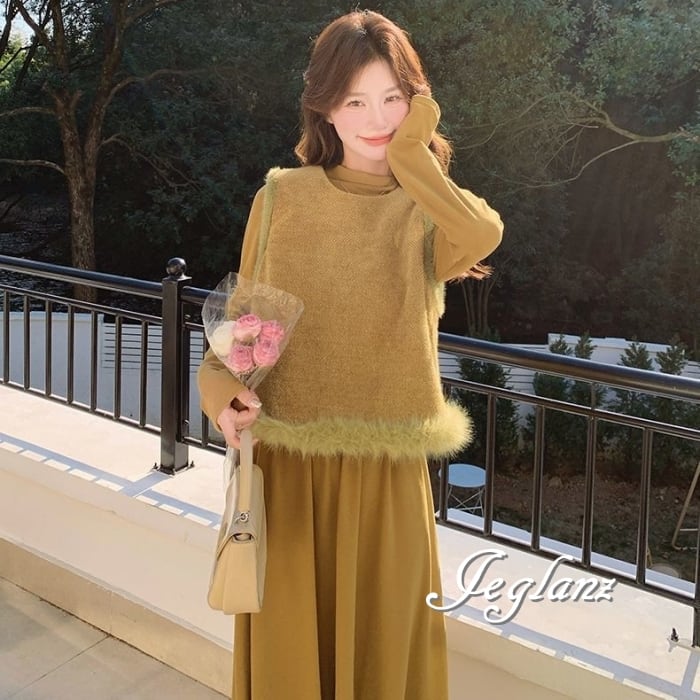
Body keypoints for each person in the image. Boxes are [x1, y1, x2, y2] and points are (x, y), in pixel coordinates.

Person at [198, 9, 503, 700]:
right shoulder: (282, 198)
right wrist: (222, 398)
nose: (376, 119)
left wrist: (412, 160)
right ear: (325, 108)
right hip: (287, 468)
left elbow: (483, 233)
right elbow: (240, 334)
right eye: (355, 100)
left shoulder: (428, 210)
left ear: (418, 107)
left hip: (387, 473)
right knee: (291, 668)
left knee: (384, 661)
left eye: (394, 99)